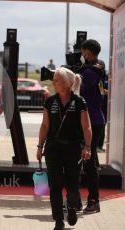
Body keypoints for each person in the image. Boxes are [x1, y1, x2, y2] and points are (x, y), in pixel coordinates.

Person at [37, 67, 92, 230]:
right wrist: (40, 146)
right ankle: (58, 220)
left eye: (56, 80)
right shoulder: (50, 101)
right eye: (54, 80)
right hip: (53, 147)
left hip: (73, 148)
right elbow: (45, 125)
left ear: (67, 83)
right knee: (55, 184)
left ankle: (72, 207)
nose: (53, 83)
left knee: (73, 185)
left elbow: (86, 127)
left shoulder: (79, 102)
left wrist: (87, 147)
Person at [79, 39, 105, 213]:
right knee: (88, 161)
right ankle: (83, 199)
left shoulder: (88, 72)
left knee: (88, 163)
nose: (82, 55)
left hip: (91, 122)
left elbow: (78, 90)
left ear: (87, 52)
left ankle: (93, 200)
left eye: (82, 52)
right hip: (94, 120)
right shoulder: (99, 67)